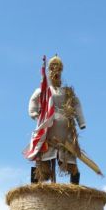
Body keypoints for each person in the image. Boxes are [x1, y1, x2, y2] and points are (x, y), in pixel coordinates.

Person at [27, 55, 86, 184]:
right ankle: (34, 189)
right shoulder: (43, 91)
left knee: (70, 161)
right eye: (53, 68)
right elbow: (33, 101)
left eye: (58, 69)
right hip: (47, 133)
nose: (56, 72)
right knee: (42, 161)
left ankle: (75, 187)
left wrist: (81, 122)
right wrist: (35, 114)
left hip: (66, 135)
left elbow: (76, 104)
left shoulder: (68, 92)